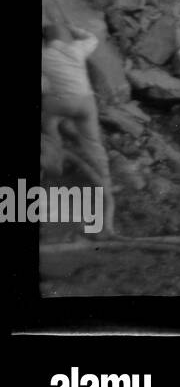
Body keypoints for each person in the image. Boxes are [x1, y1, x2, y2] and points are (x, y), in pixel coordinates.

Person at [41, 19, 116, 235]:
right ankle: (106, 180)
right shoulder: (76, 48)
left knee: (48, 119)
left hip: (60, 102)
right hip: (85, 102)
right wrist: (75, 29)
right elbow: (92, 39)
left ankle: (54, 157)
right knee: (93, 143)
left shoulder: (45, 56)